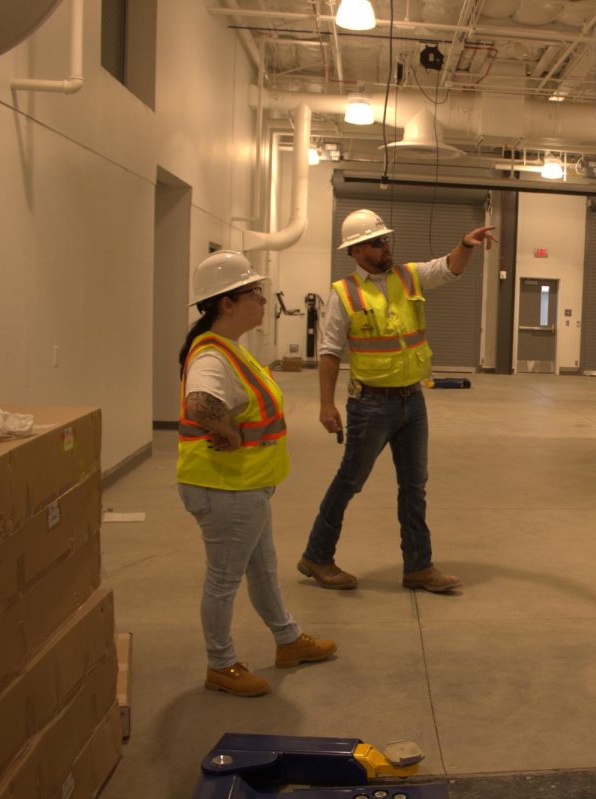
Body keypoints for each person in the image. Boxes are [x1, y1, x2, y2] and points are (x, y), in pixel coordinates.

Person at [298, 209, 497, 592]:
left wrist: (465, 246)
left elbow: (447, 269)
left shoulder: (408, 276)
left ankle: (419, 567)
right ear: (356, 252)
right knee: (350, 482)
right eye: (375, 242)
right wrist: (326, 404)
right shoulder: (344, 294)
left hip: (412, 401)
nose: (384, 246)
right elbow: (328, 352)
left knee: (414, 486)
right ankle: (317, 555)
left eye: (385, 239)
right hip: (370, 405)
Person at [177, 250, 337, 697]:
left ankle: (288, 640)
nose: (264, 301)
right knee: (224, 578)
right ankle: (220, 664)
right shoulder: (213, 356)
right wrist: (224, 428)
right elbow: (200, 403)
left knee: (263, 568)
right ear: (227, 303)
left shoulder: (230, 349)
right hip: (223, 485)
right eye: (255, 293)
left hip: (245, 485)